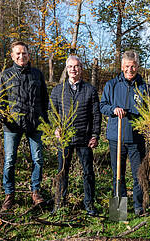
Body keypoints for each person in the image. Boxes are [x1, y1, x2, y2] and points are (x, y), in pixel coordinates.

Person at [0, 41, 49, 211]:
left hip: (34, 124)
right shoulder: (6, 75)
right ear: (12, 56)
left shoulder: (37, 74)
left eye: (24, 53)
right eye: (18, 53)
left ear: (29, 55)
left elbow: (44, 100)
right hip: (12, 126)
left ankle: (36, 191)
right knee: (9, 161)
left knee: (38, 159)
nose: (21, 56)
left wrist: (46, 122)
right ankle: (9, 194)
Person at [50, 56, 101, 215]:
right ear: (66, 69)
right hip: (64, 139)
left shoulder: (90, 90)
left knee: (88, 172)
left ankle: (89, 204)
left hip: (84, 138)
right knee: (62, 171)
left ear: (81, 69)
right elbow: (52, 112)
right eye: (70, 66)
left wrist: (95, 135)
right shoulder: (58, 90)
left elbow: (96, 115)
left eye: (77, 66)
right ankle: (59, 202)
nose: (73, 69)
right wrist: (56, 127)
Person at [100, 50, 147, 216]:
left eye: (133, 66)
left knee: (138, 174)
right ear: (122, 66)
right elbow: (102, 106)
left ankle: (138, 206)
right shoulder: (111, 85)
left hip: (136, 138)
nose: (130, 70)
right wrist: (114, 109)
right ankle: (119, 209)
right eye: (127, 66)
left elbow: (148, 110)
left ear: (137, 67)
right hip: (116, 137)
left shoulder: (143, 87)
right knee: (118, 174)